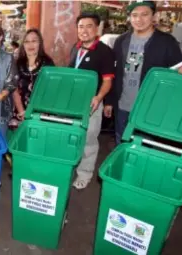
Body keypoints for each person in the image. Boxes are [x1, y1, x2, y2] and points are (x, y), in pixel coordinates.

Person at [104, 0, 182, 145]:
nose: (139, 20)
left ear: (153, 16)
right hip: (123, 105)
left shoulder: (167, 42)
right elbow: (116, 73)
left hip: (150, 107)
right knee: (122, 141)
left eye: (145, 14)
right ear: (129, 18)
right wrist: (110, 101)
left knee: (146, 145)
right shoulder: (121, 40)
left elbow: (179, 71)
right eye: (134, 15)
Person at [68, 13, 115, 190]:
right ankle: (72, 165)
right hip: (74, 102)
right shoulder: (76, 47)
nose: (84, 30)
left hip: (91, 103)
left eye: (89, 26)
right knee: (74, 136)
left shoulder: (105, 52)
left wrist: (99, 98)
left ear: (97, 29)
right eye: (81, 26)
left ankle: (85, 174)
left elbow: (108, 80)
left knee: (89, 139)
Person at [8, 29, 54, 133]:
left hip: (41, 113)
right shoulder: (18, 63)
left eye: (34, 41)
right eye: (27, 42)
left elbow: (51, 91)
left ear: (40, 43)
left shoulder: (48, 63)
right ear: (23, 44)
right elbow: (14, 89)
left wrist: (37, 114)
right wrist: (22, 111)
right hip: (20, 112)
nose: (30, 45)